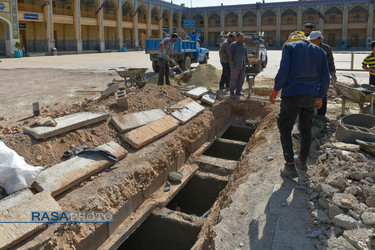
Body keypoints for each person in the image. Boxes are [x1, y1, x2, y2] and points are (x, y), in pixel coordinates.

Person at [269, 32, 330, 179]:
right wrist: (320, 96)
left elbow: (283, 71)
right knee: (305, 128)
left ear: (290, 40)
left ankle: (289, 165)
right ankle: (302, 160)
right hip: (310, 96)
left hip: (291, 95)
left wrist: (275, 90)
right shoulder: (320, 51)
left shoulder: (289, 47)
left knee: (285, 128)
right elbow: (325, 78)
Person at [308, 31, 336, 117]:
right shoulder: (308, 48)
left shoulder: (326, 48)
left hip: (323, 75)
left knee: (322, 94)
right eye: (311, 41)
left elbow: (330, 62)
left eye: (314, 41)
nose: (313, 43)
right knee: (310, 95)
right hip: (311, 76)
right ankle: (309, 115)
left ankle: (321, 116)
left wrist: (333, 73)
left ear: (320, 39)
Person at [229, 32, 250, 98]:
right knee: (234, 79)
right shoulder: (233, 45)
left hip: (242, 65)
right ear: (236, 38)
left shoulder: (244, 45)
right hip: (235, 65)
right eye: (239, 38)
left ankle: (238, 91)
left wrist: (248, 63)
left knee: (241, 80)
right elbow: (230, 55)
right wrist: (232, 63)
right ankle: (232, 92)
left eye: (242, 38)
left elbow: (246, 55)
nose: (241, 39)